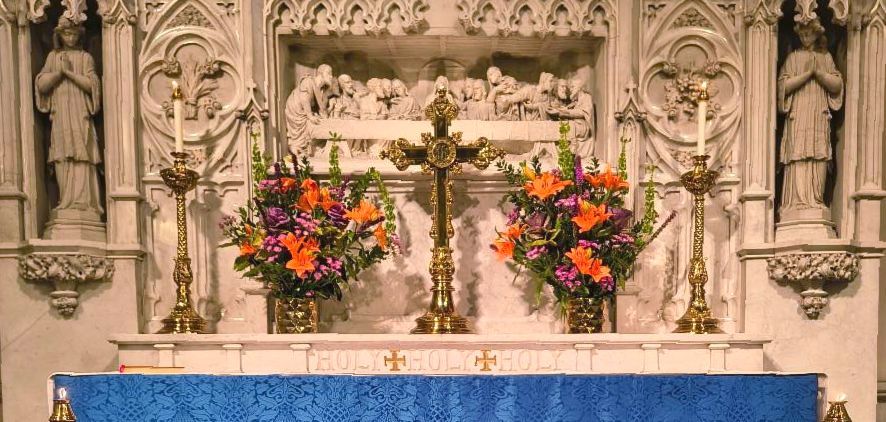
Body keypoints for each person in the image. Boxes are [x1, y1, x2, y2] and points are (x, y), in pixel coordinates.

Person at [35, 17, 103, 219]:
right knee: (62, 153)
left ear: (79, 35)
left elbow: (92, 85)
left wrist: (69, 73)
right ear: (59, 35)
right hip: (61, 115)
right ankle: (66, 201)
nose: (70, 37)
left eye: (74, 34)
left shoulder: (85, 57)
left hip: (80, 114)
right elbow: (41, 85)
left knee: (83, 153)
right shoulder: (53, 57)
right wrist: (59, 73)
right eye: (66, 34)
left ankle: (86, 204)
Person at [776, 17, 843, 218]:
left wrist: (819, 74)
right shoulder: (793, 58)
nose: (805, 38)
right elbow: (783, 87)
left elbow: (837, 85)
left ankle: (815, 200)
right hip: (798, 115)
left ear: (817, 34)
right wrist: (807, 74)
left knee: (818, 153)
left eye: (809, 34)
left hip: (819, 115)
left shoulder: (826, 58)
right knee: (797, 154)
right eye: (802, 35)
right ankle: (796, 202)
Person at [284, 64, 333, 154]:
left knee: (319, 124)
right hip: (296, 110)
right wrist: (310, 116)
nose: (331, 76)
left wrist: (325, 114)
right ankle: (297, 147)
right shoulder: (308, 81)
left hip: (306, 111)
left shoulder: (322, 89)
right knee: (307, 128)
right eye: (329, 73)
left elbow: (321, 107)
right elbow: (304, 98)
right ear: (321, 73)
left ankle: (309, 148)